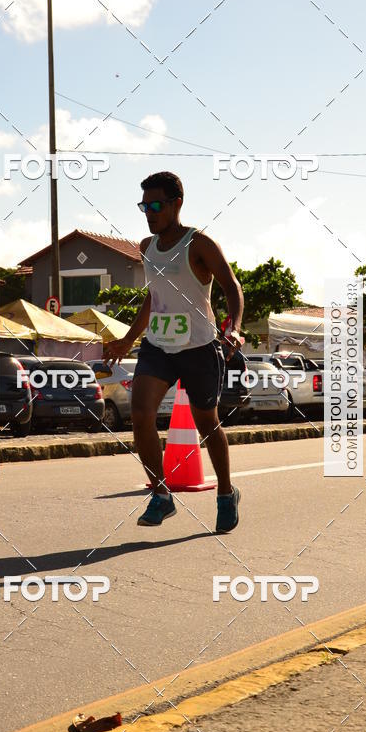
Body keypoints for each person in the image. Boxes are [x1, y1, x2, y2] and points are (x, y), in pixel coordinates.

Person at [104, 171, 245, 533]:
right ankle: (162, 494)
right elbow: (154, 297)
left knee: (207, 423)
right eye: (144, 206)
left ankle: (227, 493)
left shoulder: (200, 245)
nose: (149, 213)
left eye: (155, 205)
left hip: (198, 346)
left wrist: (234, 327)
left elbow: (232, 288)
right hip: (159, 346)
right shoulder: (146, 247)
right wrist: (129, 338)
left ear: (176, 204)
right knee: (140, 412)